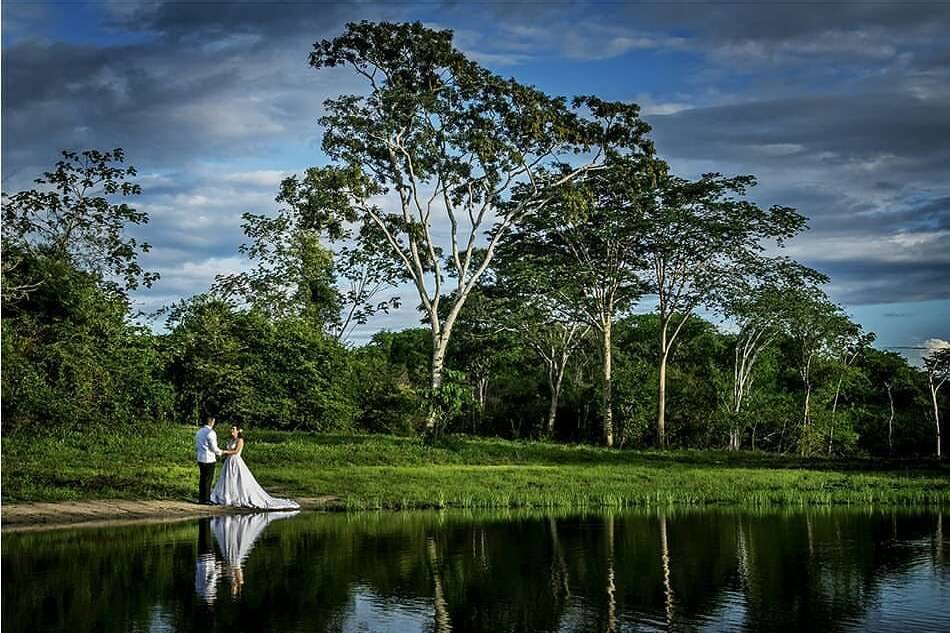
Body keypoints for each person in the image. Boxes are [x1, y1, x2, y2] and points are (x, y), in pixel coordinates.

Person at [210, 425, 300, 510]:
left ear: (238, 430)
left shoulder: (240, 440)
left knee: (238, 479)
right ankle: (228, 496)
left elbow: (236, 451)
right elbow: (230, 450)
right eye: (231, 429)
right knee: (228, 479)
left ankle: (237, 497)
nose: (231, 431)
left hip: (236, 461)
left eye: (233, 429)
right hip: (229, 462)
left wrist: (224, 451)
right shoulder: (230, 440)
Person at [195, 413, 224, 504]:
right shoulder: (211, 433)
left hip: (200, 458)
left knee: (202, 479)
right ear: (212, 421)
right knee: (208, 479)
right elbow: (213, 448)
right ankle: (206, 499)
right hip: (209, 458)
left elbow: (197, 444)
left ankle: (201, 498)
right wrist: (221, 452)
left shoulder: (199, 432)